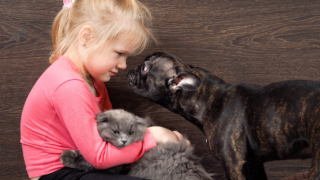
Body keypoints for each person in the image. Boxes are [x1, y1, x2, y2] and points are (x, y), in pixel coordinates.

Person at [20, 0, 187, 180]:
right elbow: (99, 156)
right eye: (119, 54)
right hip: (56, 172)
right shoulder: (69, 86)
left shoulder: (93, 81)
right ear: (87, 37)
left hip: (83, 166)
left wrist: (165, 143)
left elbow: (111, 138)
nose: (123, 65)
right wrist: (154, 136)